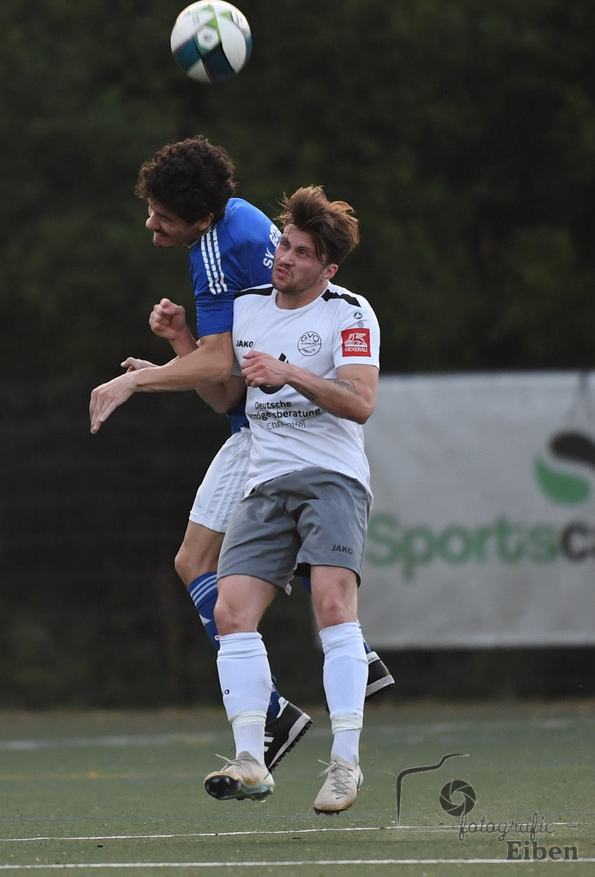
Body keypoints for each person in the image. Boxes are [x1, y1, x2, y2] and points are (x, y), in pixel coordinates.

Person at [89, 138, 393, 771]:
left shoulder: (222, 243)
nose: (151, 226)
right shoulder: (233, 229)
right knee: (202, 565)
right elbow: (225, 368)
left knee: (198, 560)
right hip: (253, 421)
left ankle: (288, 707)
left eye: (162, 217)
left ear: (199, 218)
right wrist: (179, 345)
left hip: (268, 434)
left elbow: (226, 362)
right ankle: (301, 692)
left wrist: (134, 381)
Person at [200, 185, 378, 814]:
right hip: (265, 481)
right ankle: (251, 760)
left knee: (332, 603)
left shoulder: (350, 313)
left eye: (302, 253)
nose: (285, 258)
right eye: (284, 244)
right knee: (229, 612)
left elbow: (360, 403)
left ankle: (345, 764)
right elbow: (227, 399)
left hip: (330, 475)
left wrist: (289, 371)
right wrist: (173, 348)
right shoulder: (247, 307)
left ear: (326, 269)